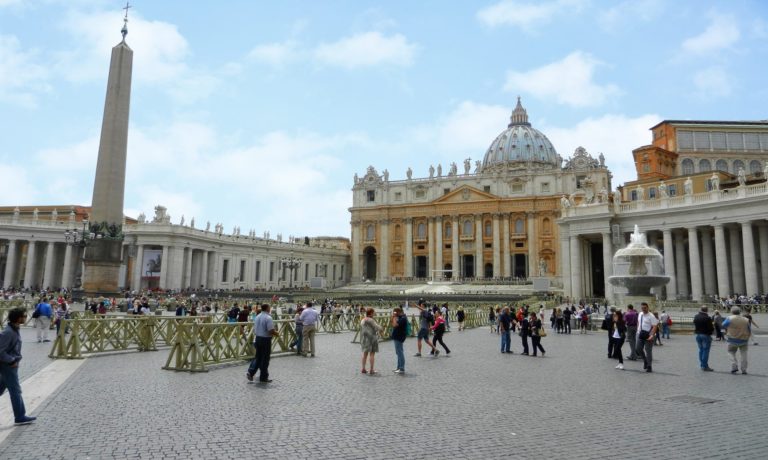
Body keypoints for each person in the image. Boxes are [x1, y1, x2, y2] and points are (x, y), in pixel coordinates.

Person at [0, 307, 37, 425]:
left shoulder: (14, 329)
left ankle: (20, 415)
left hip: (9, 364)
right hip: (8, 365)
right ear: (18, 318)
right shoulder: (8, 332)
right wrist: (11, 361)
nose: (26, 318)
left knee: (1, 387)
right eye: (24, 316)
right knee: (15, 390)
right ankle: (20, 416)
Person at [247, 304, 278, 383]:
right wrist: (276, 333)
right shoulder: (268, 318)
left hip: (258, 338)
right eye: (269, 307)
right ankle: (263, 377)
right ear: (267, 308)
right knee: (265, 359)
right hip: (265, 339)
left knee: (258, 357)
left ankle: (251, 372)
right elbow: (270, 330)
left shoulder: (257, 317)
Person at [722, 307, 750, 374]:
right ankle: (744, 369)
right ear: (740, 312)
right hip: (743, 339)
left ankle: (734, 365)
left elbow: (723, 325)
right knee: (744, 354)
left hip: (732, 339)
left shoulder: (729, 318)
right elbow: (749, 329)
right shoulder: (746, 319)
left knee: (731, 352)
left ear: (732, 312)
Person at [636, 302, 659, 372]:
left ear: (647, 307)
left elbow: (655, 326)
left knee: (648, 351)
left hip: (648, 335)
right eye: (642, 308)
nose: (643, 309)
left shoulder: (651, 316)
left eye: (645, 308)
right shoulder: (640, 314)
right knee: (638, 349)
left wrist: (652, 335)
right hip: (640, 334)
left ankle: (649, 366)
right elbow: (638, 322)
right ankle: (645, 360)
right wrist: (638, 329)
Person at [360, 308, 383, 374]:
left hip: (364, 338)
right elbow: (377, 327)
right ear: (371, 313)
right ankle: (371, 369)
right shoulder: (371, 320)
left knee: (365, 354)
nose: (375, 313)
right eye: (374, 312)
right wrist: (382, 328)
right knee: (372, 354)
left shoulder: (363, 320)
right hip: (372, 338)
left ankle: (363, 368)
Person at [693, 306, 714, 371]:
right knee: (705, 351)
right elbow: (711, 328)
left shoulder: (696, 316)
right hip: (705, 335)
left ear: (701, 309)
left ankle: (702, 364)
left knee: (701, 350)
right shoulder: (707, 318)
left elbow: (694, 323)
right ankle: (704, 366)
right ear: (707, 310)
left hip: (698, 335)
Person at [391, 307, 407, 374]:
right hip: (397, 336)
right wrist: (393, 318)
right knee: (398, 353)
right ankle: (398, 367)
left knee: (400, 352)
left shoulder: (403, 318)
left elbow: (395, 325)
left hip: (399, 337)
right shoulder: (400, 317)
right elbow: (393, 324)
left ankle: (402, 368)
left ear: (397, 312)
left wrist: (394, 317)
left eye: (394, 312)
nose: (394, 313)